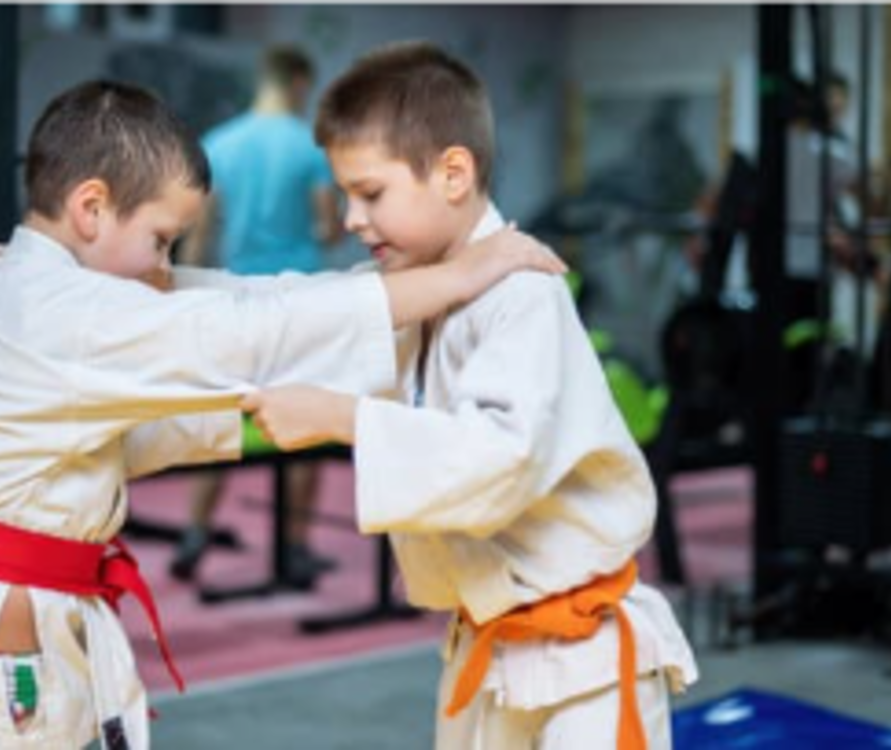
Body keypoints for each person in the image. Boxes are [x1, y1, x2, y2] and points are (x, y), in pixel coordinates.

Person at [0, 79, 564, 750]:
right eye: (161, 240)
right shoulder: (58, 307)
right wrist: (459, 274)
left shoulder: (31, 286)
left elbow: (231, 303)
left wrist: (400, 295)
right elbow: (249, 331)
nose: (164, 265)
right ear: (90, 209)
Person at [242, 42, 698, 749]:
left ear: (453, 174)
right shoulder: (410, 290)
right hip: (487, 643)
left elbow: (500, 458)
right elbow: (303, 323)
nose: (352, 218)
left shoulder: (522, 291)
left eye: (370, 193)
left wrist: (346, 419)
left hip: (584, 657)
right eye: (346, 196)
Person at [174, 45, 343, 586]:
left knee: (223, 421)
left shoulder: (219, 143)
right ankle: (293, 547)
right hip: (299, 302)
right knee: (305, 424)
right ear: (298, 83)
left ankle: (195, 532)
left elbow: (199, 237)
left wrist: (185, 300)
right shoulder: (310, 145)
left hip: (239, 300)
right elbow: (329, 229)